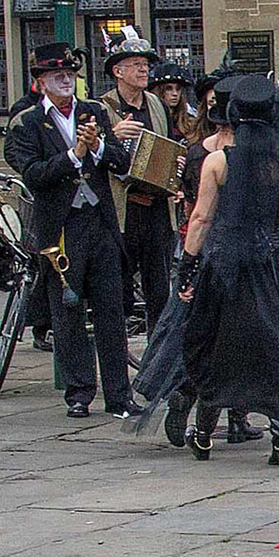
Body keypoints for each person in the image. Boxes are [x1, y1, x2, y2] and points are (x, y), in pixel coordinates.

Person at [4, 43, 143, 420]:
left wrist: (98, 148)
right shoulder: (27, 122)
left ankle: (119, 395)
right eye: (56, 75)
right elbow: (33, 173)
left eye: (70, 74)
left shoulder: (94, 111)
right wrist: (74, 156)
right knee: (67, 311)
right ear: (40, 82)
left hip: (99, 222)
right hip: (60, 228)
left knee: (111, 311)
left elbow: (122, 161)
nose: (66, 80)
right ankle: (79, 391)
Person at [170, 75, 279, 465]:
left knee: (216, 346)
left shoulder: (217, 161)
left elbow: (200, 219)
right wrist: (277, 247)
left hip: (225, 263)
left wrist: (187, 268)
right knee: (276, 347)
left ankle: (205, 436)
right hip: (272, 261)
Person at [98, 32, 175, 336]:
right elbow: (94, 155)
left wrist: (175, 166)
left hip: (156, 207)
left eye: (145, 64)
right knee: (120, 285)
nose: (144, 70)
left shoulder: (156, 104)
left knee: (159, 286)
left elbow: (169, 144)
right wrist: (112, 135)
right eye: (136, 64)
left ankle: (159, 358)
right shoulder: (101, 108)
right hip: (123, 211)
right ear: (118, 71)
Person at [150, 60, 198, 146]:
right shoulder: (150, 119)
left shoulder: (191, 121)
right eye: (169, 88)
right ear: (159, 91)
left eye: (178, 88)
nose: (175, 93)